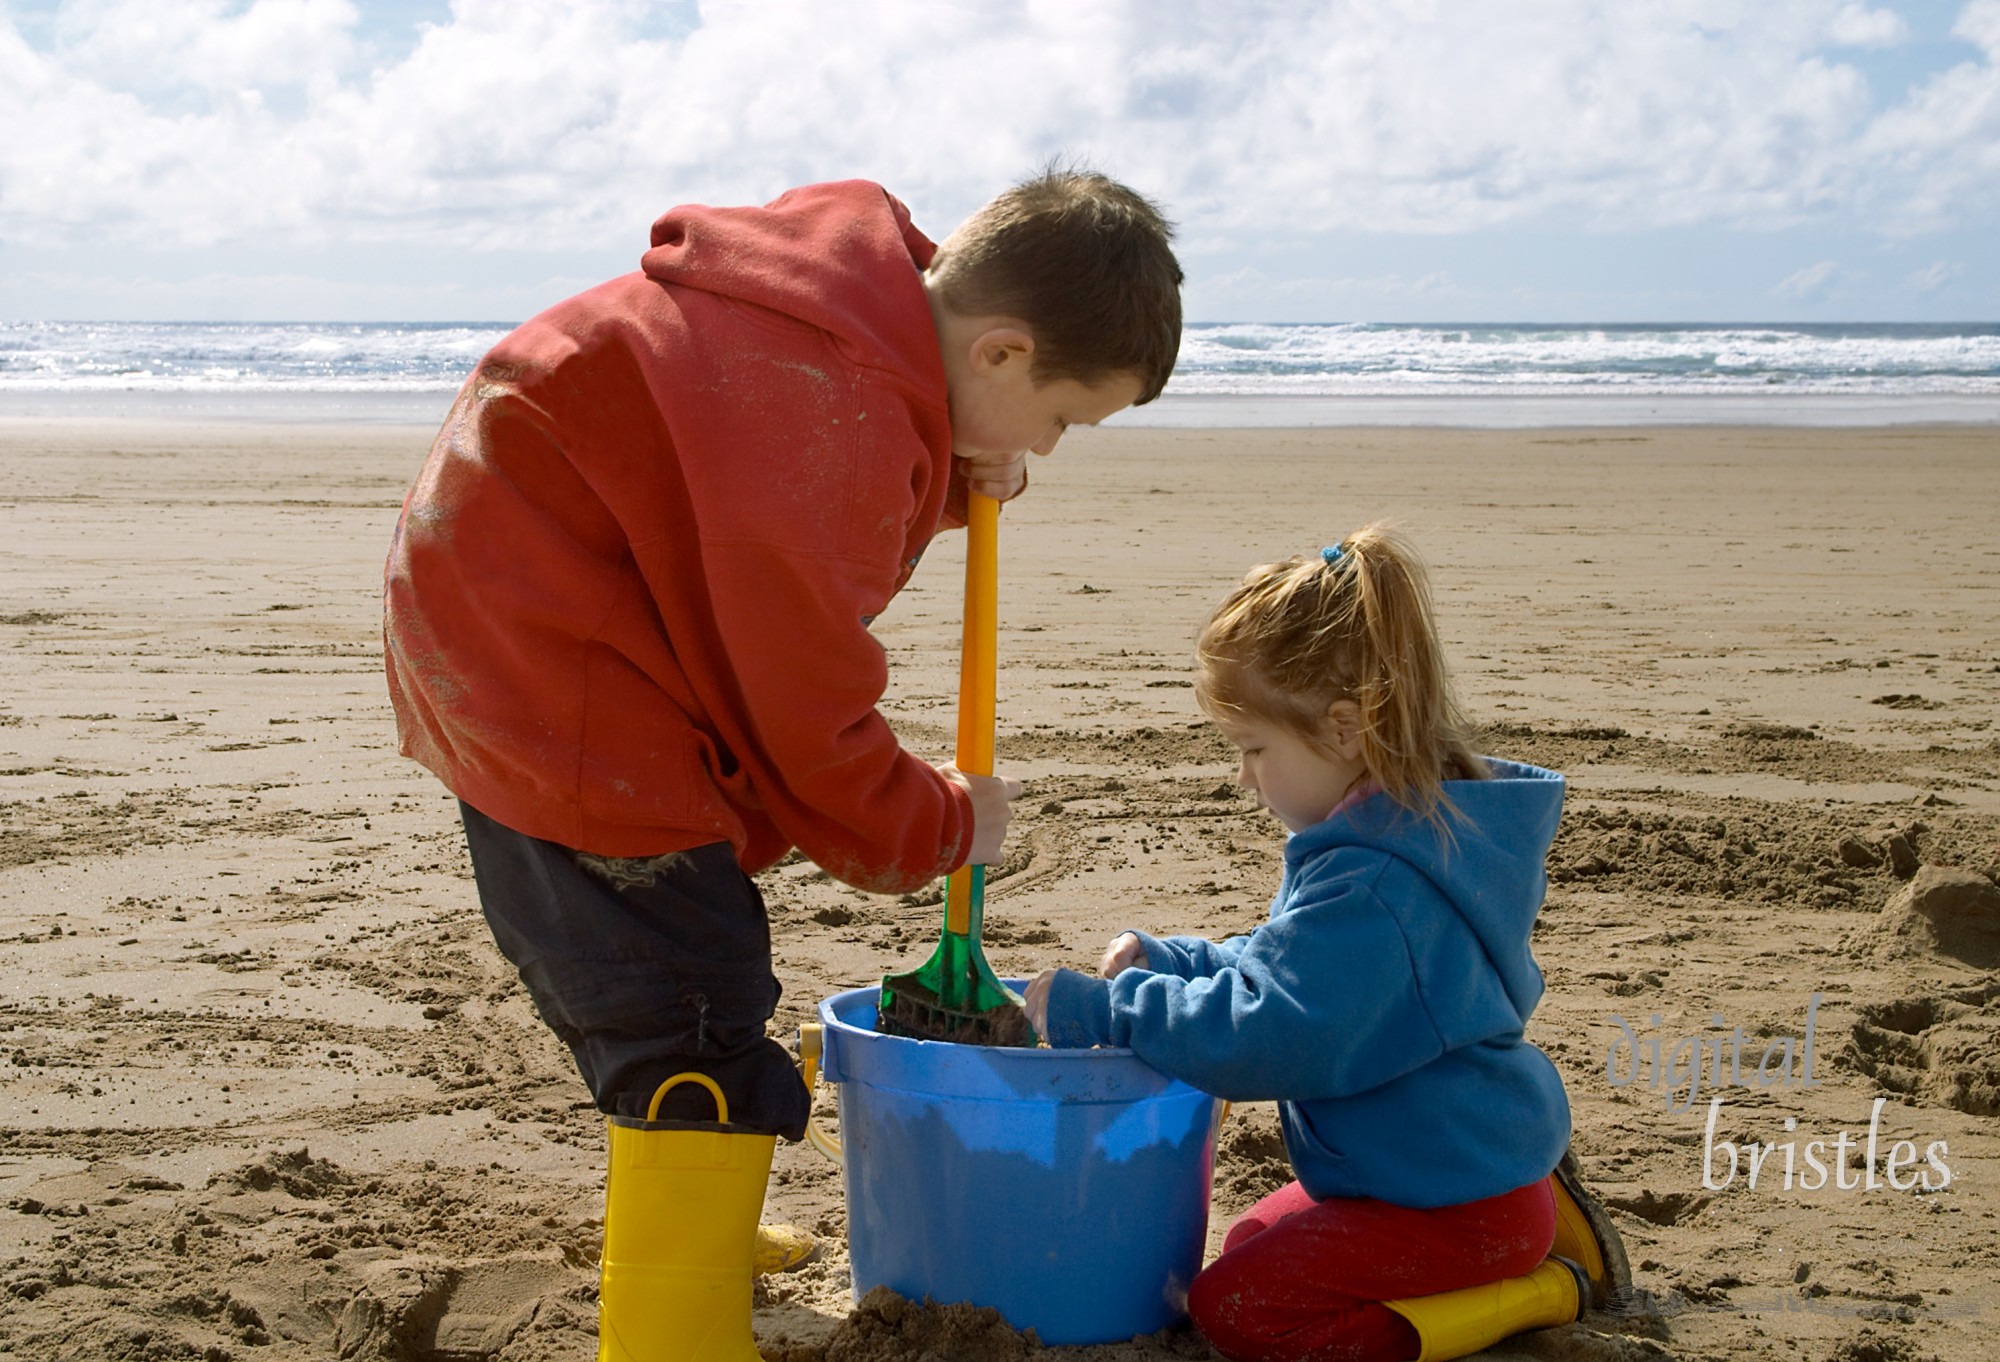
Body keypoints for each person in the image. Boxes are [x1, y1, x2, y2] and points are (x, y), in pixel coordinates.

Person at [383, 167, 1183, 1361]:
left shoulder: (831, 316)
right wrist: (937, 825)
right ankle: (669, 1329)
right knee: (688, 1022)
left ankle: (693, 1219)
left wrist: (958, 485)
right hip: (571, 696)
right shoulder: (832, 407)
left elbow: (728, 488)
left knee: (670, 973)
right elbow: (801, 704)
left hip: (518, 631)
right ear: (1003, 352)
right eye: (1065, 419)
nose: (1050, 450)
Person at [1025, 524, 1628, 1362]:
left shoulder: (1379, 888)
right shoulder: (1386, 837)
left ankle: (1539, 1292)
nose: (1244, 777)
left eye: (1255, 750)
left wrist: (1114, 1007)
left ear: (1346, 730)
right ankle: (1518, 1240)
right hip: (1426, 1174)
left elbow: (1270, 1033)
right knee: (1248, 1242)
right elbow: (1283, 962)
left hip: (1451, 1204)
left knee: (1239, 1307)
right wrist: (1178, 961)